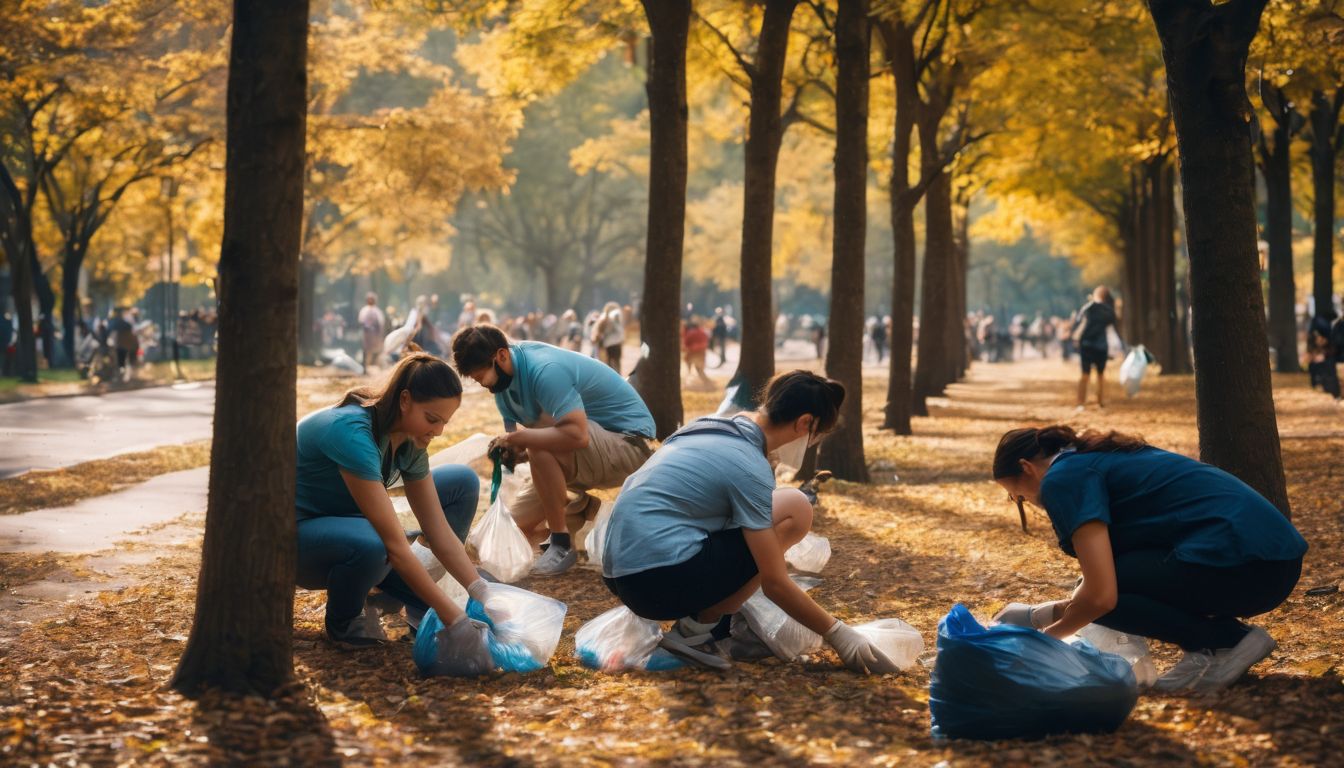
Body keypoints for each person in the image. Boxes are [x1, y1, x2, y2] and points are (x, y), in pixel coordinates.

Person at [601, 371, 898, 674]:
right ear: (805, 423)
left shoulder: (707, 427)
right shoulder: (748, 463)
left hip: (618, 573)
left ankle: (705, 626)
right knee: (796, 507)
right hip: (657, 583)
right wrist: (839, 634)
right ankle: (694, 634)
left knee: (771, 514)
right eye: (816, 436)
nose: (812, 445)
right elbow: (774, 584)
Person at [991, 425, 1306, 693]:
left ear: (1027, 468)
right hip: (1270, 559)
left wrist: (1042, 643)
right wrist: (1044, 614)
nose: (1025, 502)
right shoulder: (1087, 459)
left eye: (1017, 494)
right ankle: (1207, 647)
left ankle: (1225, 642)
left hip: (1246, 562)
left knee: (1099, 593)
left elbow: (1100, 596)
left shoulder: (1062, 480)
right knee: (1096, 586)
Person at [294, 351, 493, 667]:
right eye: (432, 419)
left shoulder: (410, 441)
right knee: (378, 544)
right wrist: (454, 619)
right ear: (404, 400)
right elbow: (395, 547)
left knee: (460, 480)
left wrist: (482, 592)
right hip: (295, 540)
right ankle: (344, 623)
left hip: (349, 525)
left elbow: (438, 529)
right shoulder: (352, 433)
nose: (438, 431)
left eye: (444, 422)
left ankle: (395, 594)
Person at [450, 323, 655, 576]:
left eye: (481, 375)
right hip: (586, 449)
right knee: (509, 532)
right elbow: (528, 442)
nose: (480, 382)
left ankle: (561, 543)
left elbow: (575, 435)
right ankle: (581, 513)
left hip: (630, 444)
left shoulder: (545, 370)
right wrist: (511, 452)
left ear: (501, 356)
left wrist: (523, 440)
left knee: (539, 445)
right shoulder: (502, 387)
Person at [1072, 286, 1123, 410]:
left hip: (1086, 345)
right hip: (1101, 346)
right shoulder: (1109, 311)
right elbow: (1115, 323)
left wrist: (1076, 339)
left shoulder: (1088, 307)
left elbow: (1079, 323)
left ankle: (1080, 403)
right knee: (1100, 375)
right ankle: (1100, 403)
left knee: (1085, 375)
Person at [358, 292, 386, 372]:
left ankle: (379, 368)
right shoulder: (364, 310)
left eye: (372, 299)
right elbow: (361, 321)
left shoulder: (377, 311)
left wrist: (379, 333)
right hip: (366, 335)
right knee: (365, 351)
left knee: (377, 351)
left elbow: (381, 324)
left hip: (375, 335)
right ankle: (364, 368)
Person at [682, 318, 712, 389]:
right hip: (701, 354)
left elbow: (686, 343)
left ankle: (688, 383)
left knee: (688, 369)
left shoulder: (691, 333)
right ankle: (707, 383)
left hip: (692, 354)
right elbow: (706, 342)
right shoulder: (703, 333)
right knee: (700, 370)